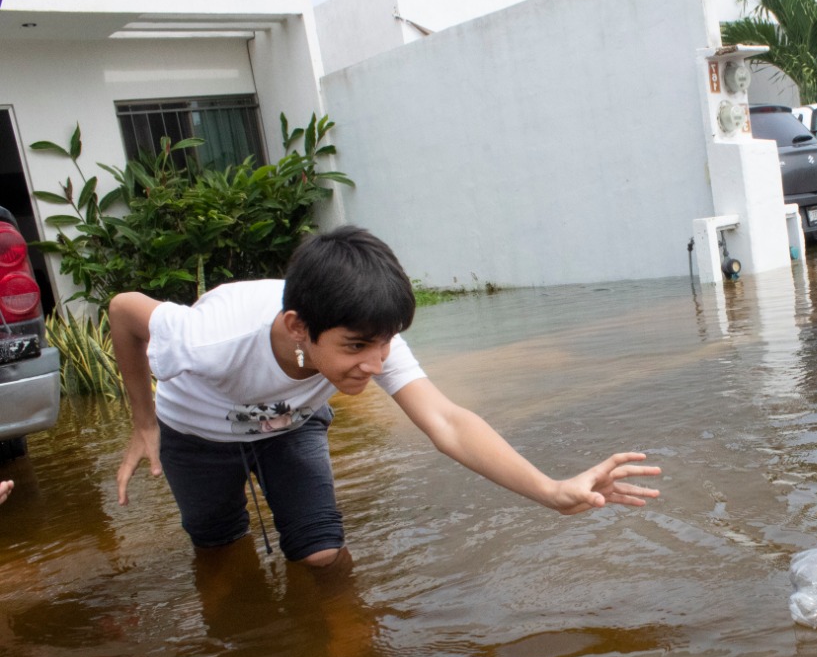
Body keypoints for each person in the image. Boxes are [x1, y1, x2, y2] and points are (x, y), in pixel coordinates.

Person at [110, 225, 660, 568]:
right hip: (197, 434)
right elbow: (123, 309)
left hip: (288, 428)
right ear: (299, 326)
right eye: (355, 348)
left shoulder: (370, 334)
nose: (375, 364)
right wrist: (144, 422)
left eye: (385, 342)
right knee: (218, 548)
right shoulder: (209, 338)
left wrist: (553, 491)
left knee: (323, 552)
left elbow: (446, 421)